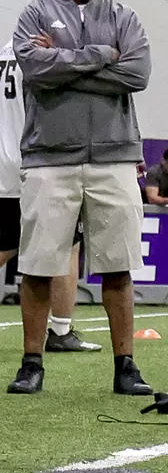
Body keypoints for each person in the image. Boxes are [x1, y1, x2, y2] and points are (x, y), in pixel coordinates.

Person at [7, 0, 153, 395]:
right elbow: (34, 68)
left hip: (115, 156)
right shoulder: (35, 12)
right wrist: (101, 57)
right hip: (49, 158)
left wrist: (63, 65)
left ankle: (126, 366)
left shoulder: (123, 16)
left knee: (118, 266)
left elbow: (137, 74)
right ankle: (31, 363)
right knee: (37, 266)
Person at [0, 40, 99, 356]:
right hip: (37, 159)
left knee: (6, 245)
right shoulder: (47, 52)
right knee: (67, 245)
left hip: (3, 162)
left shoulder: (6, 52)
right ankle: (60, 330)